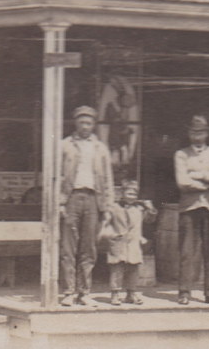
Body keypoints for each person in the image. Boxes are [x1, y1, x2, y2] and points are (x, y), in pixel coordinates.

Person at [60, 105, 114, 307]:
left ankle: (84, 292)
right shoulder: (65, 145)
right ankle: (68, 291)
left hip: (93, 199)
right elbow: (57, 175)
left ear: (94, 125)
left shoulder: (100, 148)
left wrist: (108, 207)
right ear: (76, 123)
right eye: (82, 122)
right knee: (68, 247)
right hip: (72, 198)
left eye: (89, 123)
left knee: (88, 248)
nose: (85, 126)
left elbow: (108, 179)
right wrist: (60, 202)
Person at [174, 114, 209, 306]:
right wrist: (206, 184)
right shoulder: (181, 154)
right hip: (189, 206)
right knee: (187, 251)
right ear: (189, 133)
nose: (196, 135)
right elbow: (182, 181)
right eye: (193, 132)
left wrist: (199, 175)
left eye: (200, 132)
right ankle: (184, 292)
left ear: (206, 134)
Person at [104, 179, 157, 306]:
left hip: (133, 243)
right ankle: (115, 294)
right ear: (122, 193)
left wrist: (151, 209)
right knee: (117, 269)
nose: (131, 197)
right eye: (128, 193)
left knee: (133, 269)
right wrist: (111, 236)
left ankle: (131, 293)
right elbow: (105, 224)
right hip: (118, 243)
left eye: (134, 194)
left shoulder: (139, 209)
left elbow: (150, 220)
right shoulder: (114, 207)